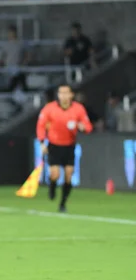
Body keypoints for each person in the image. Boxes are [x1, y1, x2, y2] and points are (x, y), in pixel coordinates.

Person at [37, 84, 93, 213]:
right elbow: (40, 126)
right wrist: (42, 142)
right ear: (58, 95)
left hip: (69, 146)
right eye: (61, 93)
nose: (63, 96)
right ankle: (52, 186)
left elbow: (88, 127)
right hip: (54, 145)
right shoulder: (49, 108)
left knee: (69, 175)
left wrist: (82, 127)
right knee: (55, 174)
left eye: (66, 93)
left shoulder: (78, 109)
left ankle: (63, 203)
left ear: (71, 95)